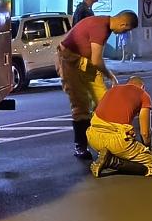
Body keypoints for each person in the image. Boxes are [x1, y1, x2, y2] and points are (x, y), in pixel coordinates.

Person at [57, 10, 139, 161]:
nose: (122, 33)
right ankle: (80, 146)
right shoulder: (100, 28)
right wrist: (110, 75)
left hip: (85, 62)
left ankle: (112, 143)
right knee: (81, 105)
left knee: (104, 102)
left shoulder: (105, 25)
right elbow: (97, 60)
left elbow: (93, 59)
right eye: (125, 30)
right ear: (123, 24)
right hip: (70, 61)